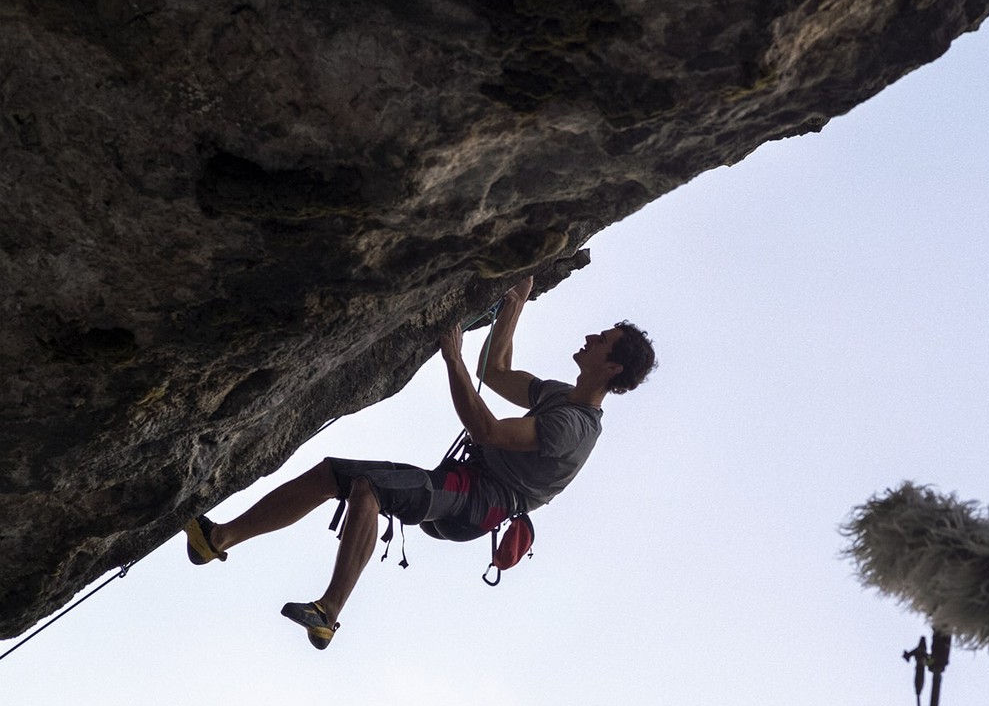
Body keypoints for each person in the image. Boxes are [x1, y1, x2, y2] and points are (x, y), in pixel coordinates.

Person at [182, 277, 655, 647]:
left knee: (368, 486)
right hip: (462, 483)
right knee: (333, 473)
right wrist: (516, 303)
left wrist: (452, 358)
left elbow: (487, 430)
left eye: (603, 339)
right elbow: (497, 372)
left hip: (479, 502)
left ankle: (328, 613)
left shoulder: (574, 426)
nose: (591, 336)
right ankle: (216, 538)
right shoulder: (560, 395)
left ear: (612, 367)